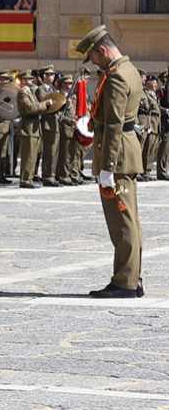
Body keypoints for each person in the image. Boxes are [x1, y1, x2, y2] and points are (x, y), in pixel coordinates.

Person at [76, 25, 146, 298]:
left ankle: (125, 281)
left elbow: (115, 124)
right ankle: (130, 277)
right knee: (129, 219)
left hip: (118, 157)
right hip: (125, 153)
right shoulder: (128, 70)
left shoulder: (117, 77)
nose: (93, 61)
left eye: (93, 56)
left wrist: (108, 167)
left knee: (122, 221)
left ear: (103, 50)